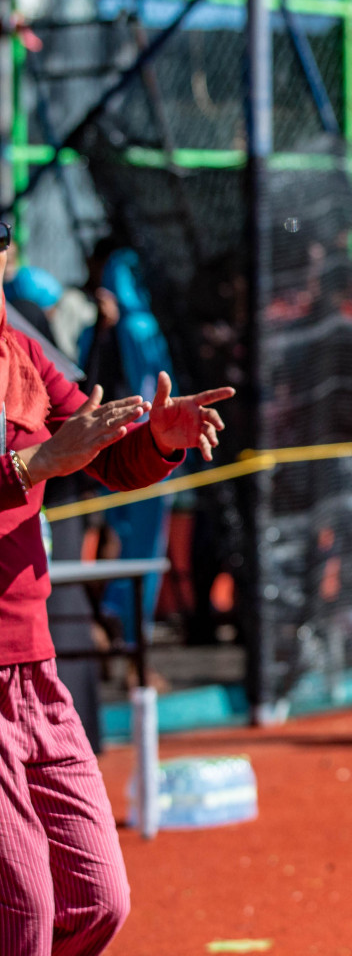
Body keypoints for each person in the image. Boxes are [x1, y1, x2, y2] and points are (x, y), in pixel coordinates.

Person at [0, 239, 233, 955]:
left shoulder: (21, 355)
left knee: (99, 901)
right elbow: (51, 457)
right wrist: (33, 463)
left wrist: (158, 441)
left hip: (34, 672)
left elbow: (102, 455)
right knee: (23, 917)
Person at [78, 245, 178, 648]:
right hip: (104, 453)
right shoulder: (98, 327)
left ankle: (126, 638)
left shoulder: (143, 328)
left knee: (132, 547)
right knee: (110, 541)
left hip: (133, 452)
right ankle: (110, 627)